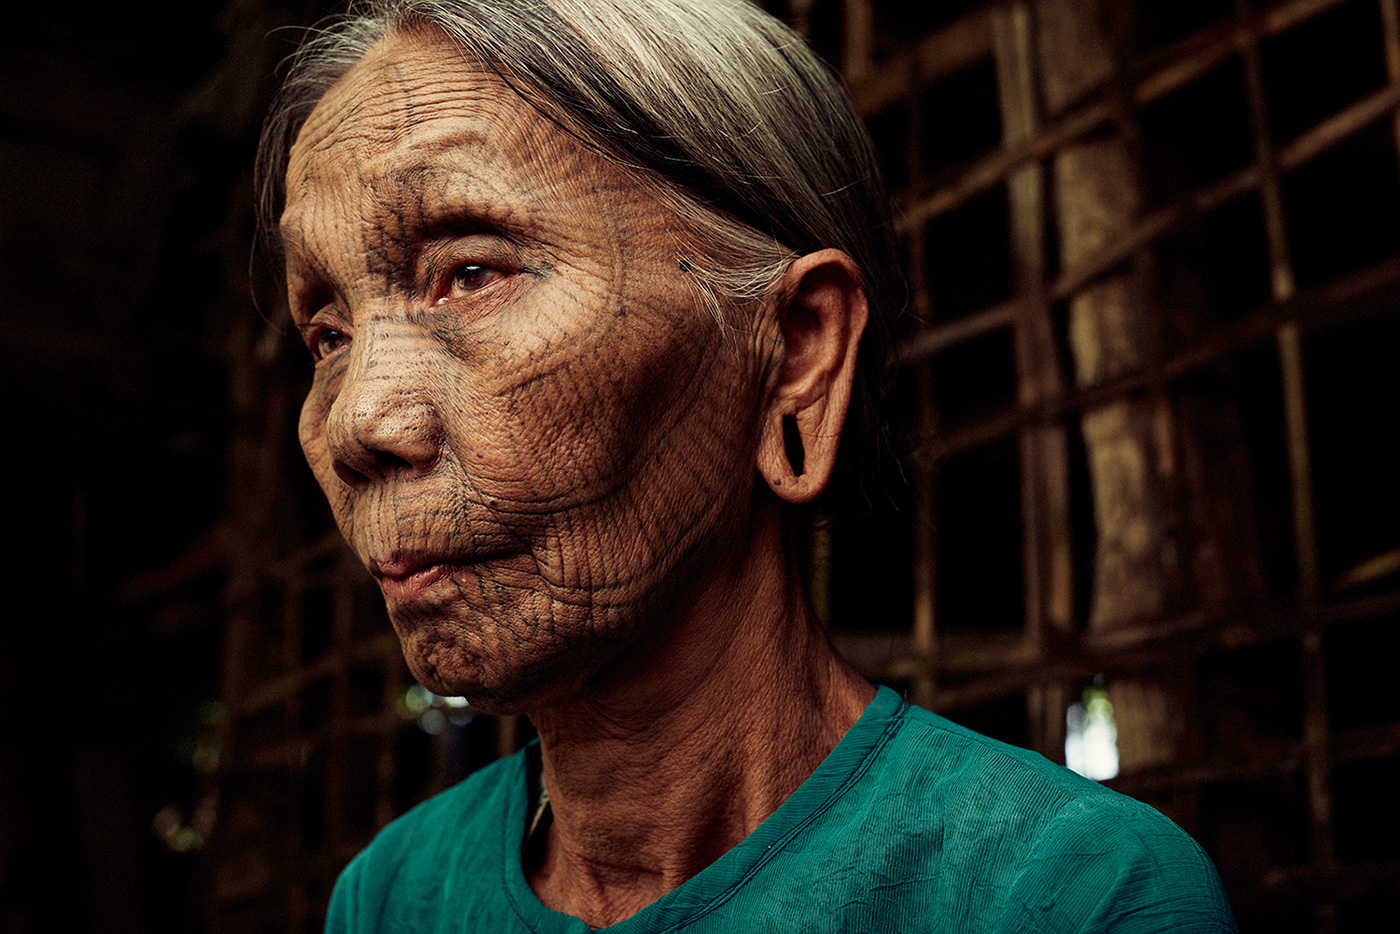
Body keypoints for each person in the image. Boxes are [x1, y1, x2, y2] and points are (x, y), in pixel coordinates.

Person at [256, 0, 1238, 930]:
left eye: (472, 272)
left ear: (796, 354)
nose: (356, 422)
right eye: (330, 333)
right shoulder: (391, 897)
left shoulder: (1066, 895)